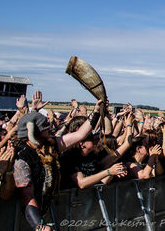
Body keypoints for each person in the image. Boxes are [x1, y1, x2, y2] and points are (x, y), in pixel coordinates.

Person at [12, 92, 104, 231]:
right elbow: (27, 196)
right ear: (34, 131)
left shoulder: (51, 144)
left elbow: (80, 135)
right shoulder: (23, 156)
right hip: (25, 218)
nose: (49, 127)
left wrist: (96, 111)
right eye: (45, 126)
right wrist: (39, 226)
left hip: (46, 209)